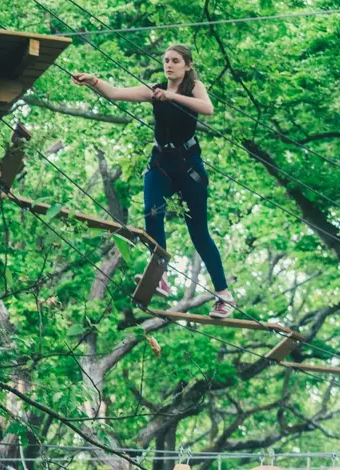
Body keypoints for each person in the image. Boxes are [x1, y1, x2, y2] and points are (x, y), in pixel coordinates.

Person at [70, 45, 235, 317]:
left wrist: (172, 96)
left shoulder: (194, 87)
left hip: (189, 168)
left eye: (175, 61)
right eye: (166, 61)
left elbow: (208, 109)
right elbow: (116, 93)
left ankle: (224, 296)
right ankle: (160, 276)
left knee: (199, 234)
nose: (169, 65)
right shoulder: (155, 90)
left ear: (187, 66)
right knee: (152, 213)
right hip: (161, 165)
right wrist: (94, 82)